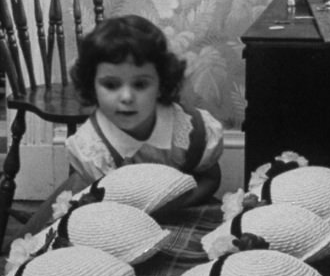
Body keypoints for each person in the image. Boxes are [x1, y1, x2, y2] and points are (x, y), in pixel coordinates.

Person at [62, 13, 223, 211]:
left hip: (184, 208)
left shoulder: (191, 129)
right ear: (92, 86)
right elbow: (104, 207)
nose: (127, 97)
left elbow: (211, 177)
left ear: (161, 84)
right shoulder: (92, 147)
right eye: (111, 85)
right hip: (119, 220)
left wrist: (176, 205)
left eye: (140, 84)